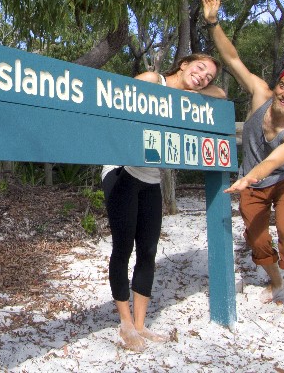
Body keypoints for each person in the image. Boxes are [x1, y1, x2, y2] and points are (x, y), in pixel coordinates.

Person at [201, 0, 284, 327]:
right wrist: (213, 23)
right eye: (283, 86)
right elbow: (233, 59)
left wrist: (249, 177)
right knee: (256, 236)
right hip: (251, 181)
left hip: (283, 181)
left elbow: (275, 160)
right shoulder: (261, 95)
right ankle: (275, 280)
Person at [101, 54, 226, 351]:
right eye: (199, 68)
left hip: (151, 176)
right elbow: (116, 103)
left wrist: (194, 90)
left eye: (208, 76)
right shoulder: (151, 80)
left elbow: (221, 94)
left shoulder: (188, 100)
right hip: (121, 170)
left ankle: (141, 324)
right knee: (123, 248)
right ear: (183, 64)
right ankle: (126, 323)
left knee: (148, 250)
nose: (203, 77)